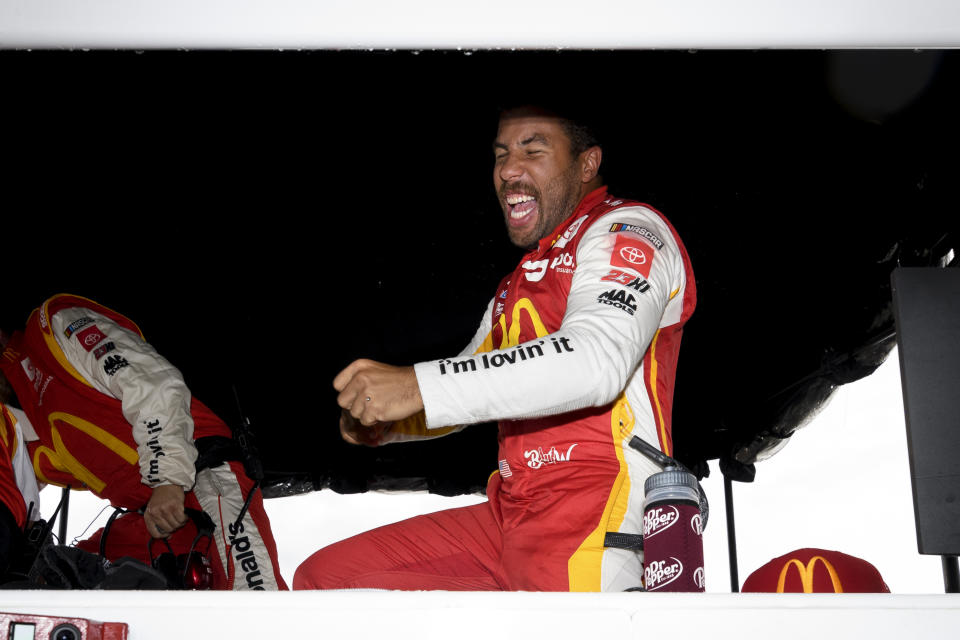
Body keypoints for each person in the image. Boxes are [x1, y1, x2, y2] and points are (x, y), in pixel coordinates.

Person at [294, 104, 696, 592]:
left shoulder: (629, 227)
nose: (508, 169)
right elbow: (469, 377)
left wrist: (415, 385)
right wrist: (386, 424)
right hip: (509, 512)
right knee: (326, 580)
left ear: (587, 165)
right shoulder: (517, 283)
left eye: (533, 150)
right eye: (501, 154)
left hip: (595, 505)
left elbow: (596, 362)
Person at [0, 294, 286, 590]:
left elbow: (154, 386)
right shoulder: (22, 415)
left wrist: (167, 479)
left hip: (202, 475)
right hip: (154, 515)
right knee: (63, 575)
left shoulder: (55, 327)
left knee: (253, 598)